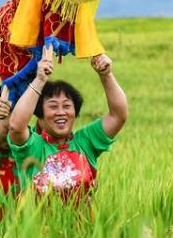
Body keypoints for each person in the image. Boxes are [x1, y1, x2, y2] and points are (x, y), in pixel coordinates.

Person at [8, 47, 128, 201]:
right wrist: (39, 80)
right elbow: (16, 127)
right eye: (53, 106)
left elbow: (118, 116)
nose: (61, 112)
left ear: (75, 113)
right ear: (40, 115)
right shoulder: (34, 146)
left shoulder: (85, 142)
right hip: (37, 218)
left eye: (66, 106)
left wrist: (106, 75)